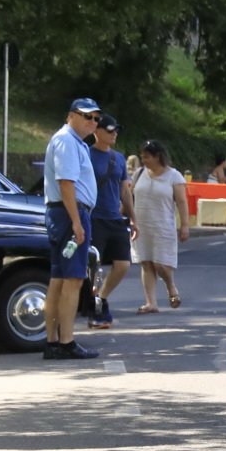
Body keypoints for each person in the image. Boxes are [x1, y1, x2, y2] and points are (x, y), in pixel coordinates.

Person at [41, 98, 103, 360]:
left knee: (58, 279)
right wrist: (77, 222)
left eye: (96, 118)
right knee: (73, 279)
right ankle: (66, 342)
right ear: (71, 116)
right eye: (87, 116)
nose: (93, 122)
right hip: (70, 213)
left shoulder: (72, 141)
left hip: (63, 213)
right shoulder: (67, 141)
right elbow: (66, 183)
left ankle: (53, 341)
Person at [85, 115, 135, 329]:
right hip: (94, 218)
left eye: (116, 130)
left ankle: (102, 297)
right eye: (110, 130)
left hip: (115, 218)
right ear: (97, 131)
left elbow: (125, 191)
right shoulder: (86, 154)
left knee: (123, 264)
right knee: (94, 268)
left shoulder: (119, 158)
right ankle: (94, 307)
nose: (114, 134)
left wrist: (133, 218)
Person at [132, 139, 189, 311]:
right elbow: (130, 196)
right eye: (142, 157)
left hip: (163, 225)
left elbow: (182, 202)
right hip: (142, 225)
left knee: (160, 264)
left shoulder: (174, 176)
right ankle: (151, 302)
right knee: (146, 262)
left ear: (157, 156)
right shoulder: (139, 173)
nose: (144, 160)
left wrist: (185, 225)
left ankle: (170, 285)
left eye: (147, 157)